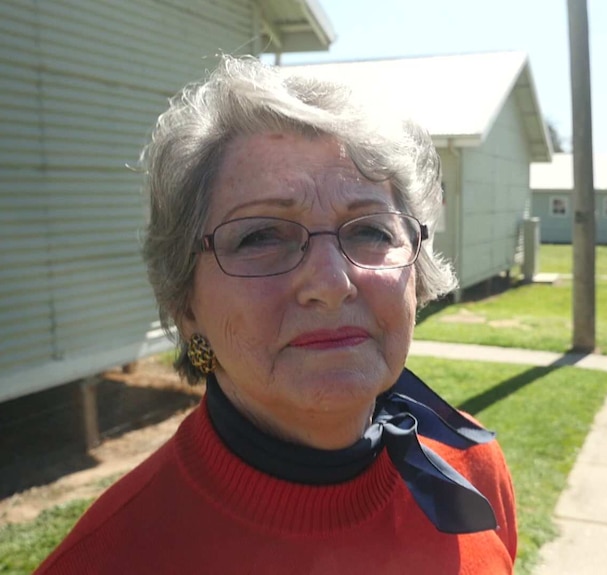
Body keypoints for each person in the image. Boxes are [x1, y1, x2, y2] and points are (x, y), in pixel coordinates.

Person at [35, 56, 517, 574]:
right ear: (184, 301)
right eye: (261, 235)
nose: (331, 285)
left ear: (416, 266)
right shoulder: (108, 560)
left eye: (371, 230)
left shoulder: (471, 473)